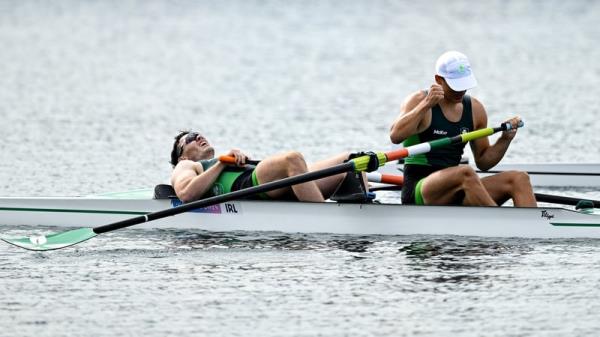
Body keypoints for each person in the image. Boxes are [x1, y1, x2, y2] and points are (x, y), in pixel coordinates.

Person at [389, 51, 537, 207]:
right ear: (439, 80)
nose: (460, 91)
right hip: (420, 188)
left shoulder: (475, 109)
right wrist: (426, 104)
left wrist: (505, 139)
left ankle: (536, 228)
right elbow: (395, 136)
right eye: (455, 86)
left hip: (458, 185)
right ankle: (500, 225)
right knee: (466, 172)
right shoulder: (418, 100)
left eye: (464, 85)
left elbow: (483, 162)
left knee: (519, 178)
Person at [169, 131, 359, 203]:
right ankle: (325, 222)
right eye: (191, 138)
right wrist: (221, 163)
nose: (199, 137)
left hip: (272, 183)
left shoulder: (218, 161)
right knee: (292, 158)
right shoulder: (186, 164)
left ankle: (363, 207)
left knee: (351, 160)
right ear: (182, 154)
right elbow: (186, 194)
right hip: (250, 186)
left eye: (200, 134)